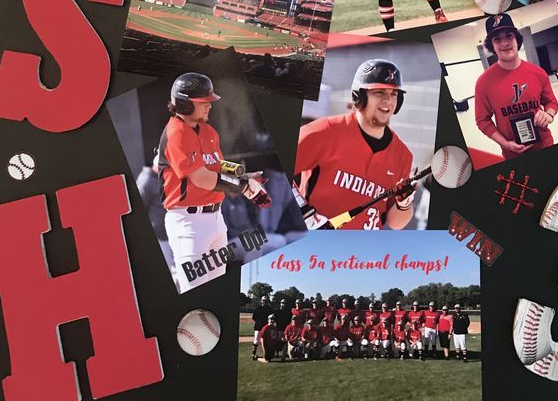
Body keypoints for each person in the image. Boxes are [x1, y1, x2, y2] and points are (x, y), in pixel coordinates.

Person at [158, 72, 270, 294]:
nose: (210, 105)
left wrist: (243, 177)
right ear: (184, 103)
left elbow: (217, 165)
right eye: (203, 102)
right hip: (188, 223)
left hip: (216, 220)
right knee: (195, 290)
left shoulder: (208, 131)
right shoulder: (177, 132)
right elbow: (202, 178)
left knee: (214, 289)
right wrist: (243, 187)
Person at [294, 59, 416, 230]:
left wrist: (404, 204)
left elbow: (396, 223)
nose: (388, 101)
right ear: (359, 96)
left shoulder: (403, 155)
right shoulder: (326, 130)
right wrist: (304, 212)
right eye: (379, 92)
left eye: (394, 94)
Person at [473, 14, 558, 160]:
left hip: (545, 145)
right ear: (492, 46)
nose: (505, 43)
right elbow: (482, 121)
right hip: (512, 154)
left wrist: (549, 114)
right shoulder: (483, 82)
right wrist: (505, 144)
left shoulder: (538, 72)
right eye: (497, 39)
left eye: (509, 36)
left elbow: (551, 102)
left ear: (517, 40)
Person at [251, 295, 274, 360]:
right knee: (256, 341)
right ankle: (253, 354)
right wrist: (259, 322)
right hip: (258, 327)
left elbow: (272, 318)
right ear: (261, 301)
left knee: (266, 342)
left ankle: (266, 354)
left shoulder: (269, 309)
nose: (264, 302)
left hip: (266, 328)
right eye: (263, 300)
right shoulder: (258, 308)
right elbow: (254, 317)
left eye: (265, 301)